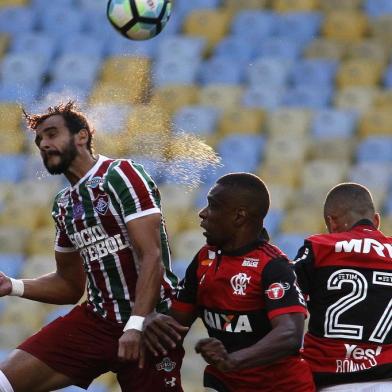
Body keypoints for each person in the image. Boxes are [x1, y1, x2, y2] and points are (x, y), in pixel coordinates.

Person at [0, 101, 184, 392]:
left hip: (151, 324)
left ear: (82, 136)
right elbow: (69, 286)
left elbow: (151, 256)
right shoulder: (63, 204)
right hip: (97, 322)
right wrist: (13, 285)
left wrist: (135, 324)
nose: (44, 145)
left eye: (51, 134)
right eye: (39, 140)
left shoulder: (120, 174)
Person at [143, 172, 316, 392]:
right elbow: (176, 326)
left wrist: (233, 360)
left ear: (239, 216)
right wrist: (152, 321)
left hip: (279, 386)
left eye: (213, 206)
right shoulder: (205, 259)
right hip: (226, 382)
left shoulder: (273, 266)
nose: (202, 213)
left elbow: (290, 335)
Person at [294, 182, 392, 391]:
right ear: (376, 220)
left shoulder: (318, 248)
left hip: (331, 380)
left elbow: (284, 305)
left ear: (332, 222)